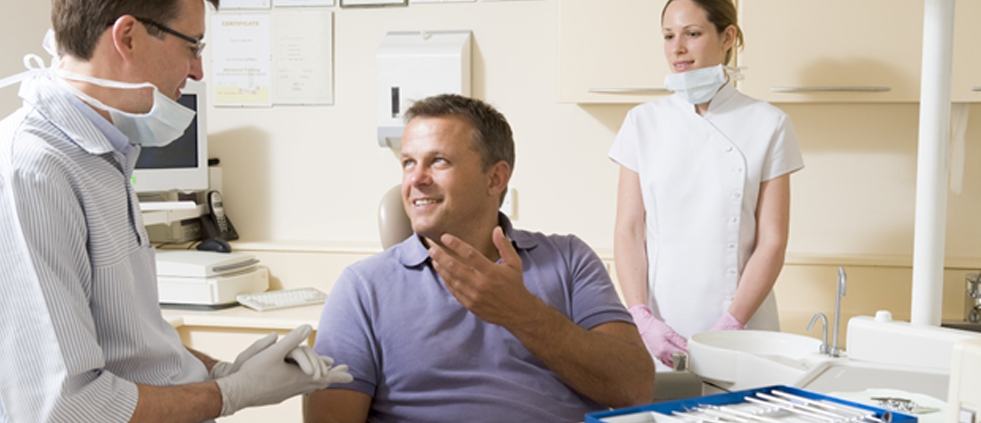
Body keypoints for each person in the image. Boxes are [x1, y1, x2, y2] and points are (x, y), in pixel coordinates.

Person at [0, 0, 350, 421]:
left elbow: (131, 347)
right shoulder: (33, 170)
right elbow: (68, 408)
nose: (198, 71)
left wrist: (220, 370)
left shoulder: (104, 157)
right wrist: (230, 392)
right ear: (127, 36)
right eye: (194, 46)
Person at [305, 94, 654, 423]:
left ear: (496, 178)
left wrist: (522, 313)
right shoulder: (363, 288)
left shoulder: (568, 259)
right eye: (408, 163)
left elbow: (634, 388)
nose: (416, 179)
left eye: (438, 161)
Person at [610, 0, 804, 371]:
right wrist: (640, 315)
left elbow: (772, 241)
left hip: (744, 329)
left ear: (727, 36)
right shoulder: (642, 123)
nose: (677, 48)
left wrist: (732, 324)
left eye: (692, 34)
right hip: (661, 325)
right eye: (668, 36)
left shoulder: (769, 124)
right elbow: (629, 230)